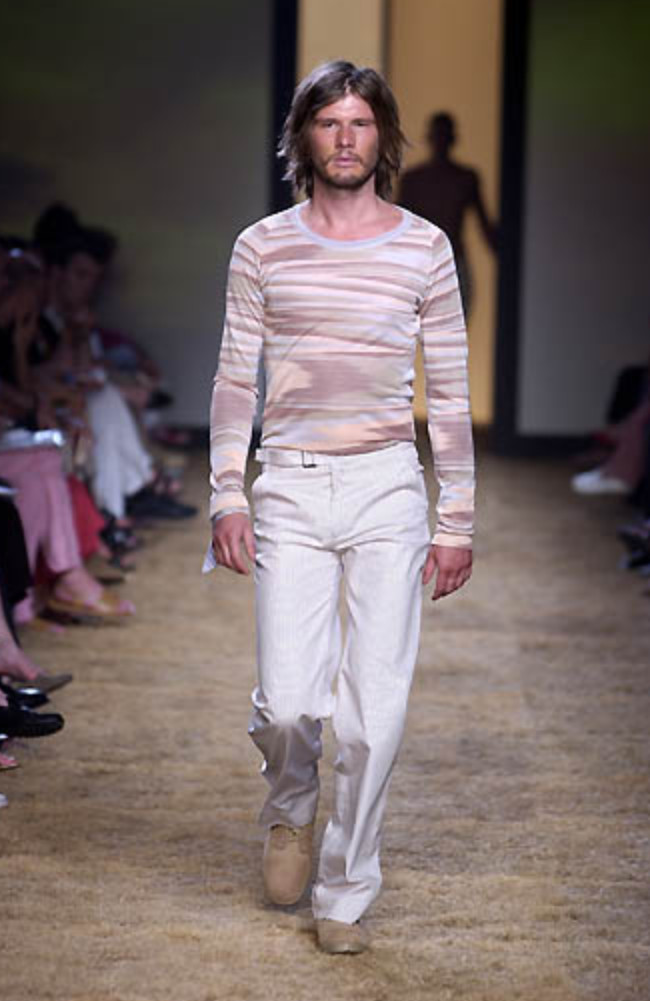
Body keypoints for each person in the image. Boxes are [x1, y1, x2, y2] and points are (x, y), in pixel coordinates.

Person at [208, 61, 475, 955]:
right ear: (304, 137)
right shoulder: (261, 246)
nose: (347, 138)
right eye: (330, 122)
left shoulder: (425, 249)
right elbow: (234, 380)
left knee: (374, 714)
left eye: (361, 122)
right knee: (289, 703)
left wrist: (457, 518)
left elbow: (450, 392)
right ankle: (291, 801)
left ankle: (346, 890)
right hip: (289, 481)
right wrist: (226, 491)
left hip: (388, 485)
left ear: (383, 137)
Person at [398, 111, 498, 317]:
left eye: (443, 136)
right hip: (423, 264)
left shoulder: (464, 179)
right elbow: (396, 228)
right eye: (438, 136)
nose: (440, 142)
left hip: (452, 263)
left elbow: (488, 232)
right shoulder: (414, 180)